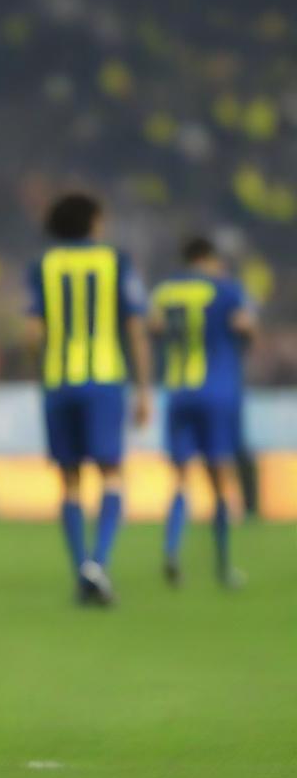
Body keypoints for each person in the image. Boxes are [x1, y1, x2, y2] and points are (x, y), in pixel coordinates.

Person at [25, 193, 152, 606]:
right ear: (93, 222)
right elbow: (135, 326)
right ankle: (97, 563)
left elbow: (32, 334)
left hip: (60, 383)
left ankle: (82, 567)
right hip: (103, 382)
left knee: (70, 481)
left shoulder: (43, 265)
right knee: (112, 474)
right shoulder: (115, 261)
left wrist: (42, 376)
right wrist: (145, 387)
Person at [150, 237, 255, 587]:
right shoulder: (226, 290)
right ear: (210, 258)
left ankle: (172, 550)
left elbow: (153, 327)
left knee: (180, 478)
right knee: (219, 479)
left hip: (179, 392)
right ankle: (224, 566)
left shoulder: (166, 293)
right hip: (217, 391)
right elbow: (244, 326)